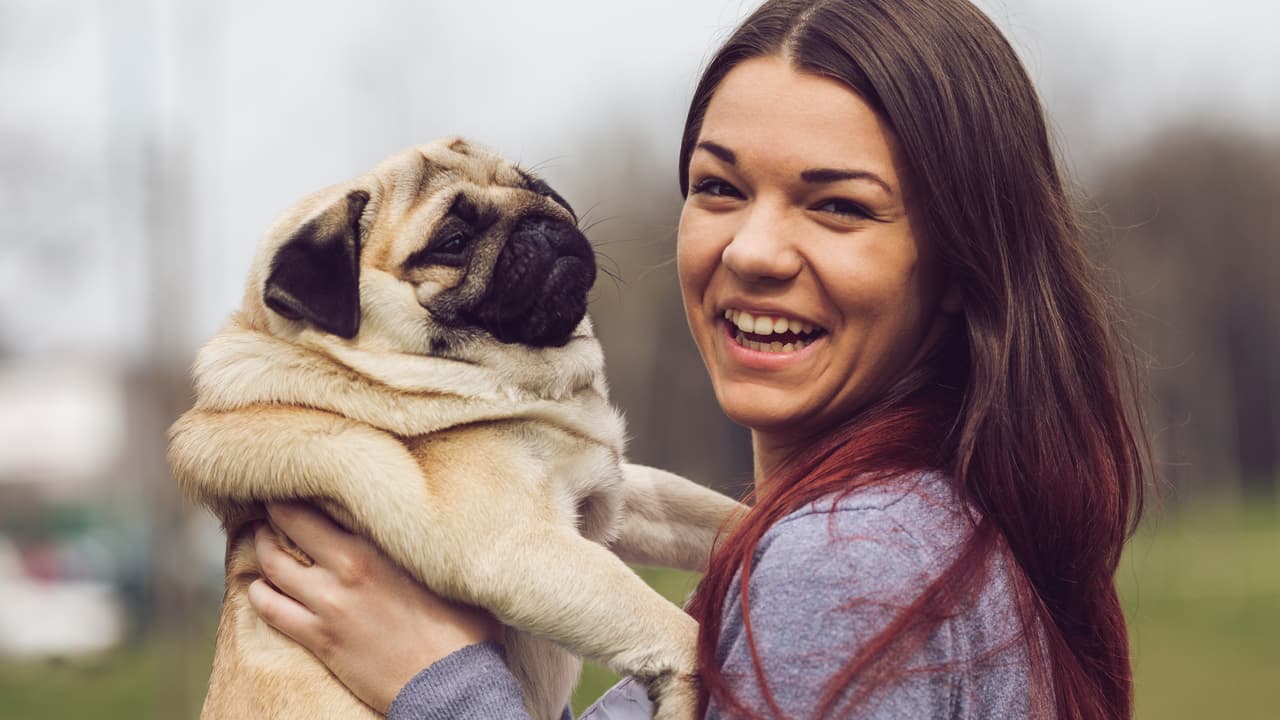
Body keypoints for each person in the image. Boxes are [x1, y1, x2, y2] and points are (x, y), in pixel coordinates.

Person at [246, 0, 1150, 717]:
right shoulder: (913, 529)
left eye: (836, 205)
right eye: (717, 187)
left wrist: (434, 683)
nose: (753, 250)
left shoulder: (843, 566)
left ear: (961, 262)